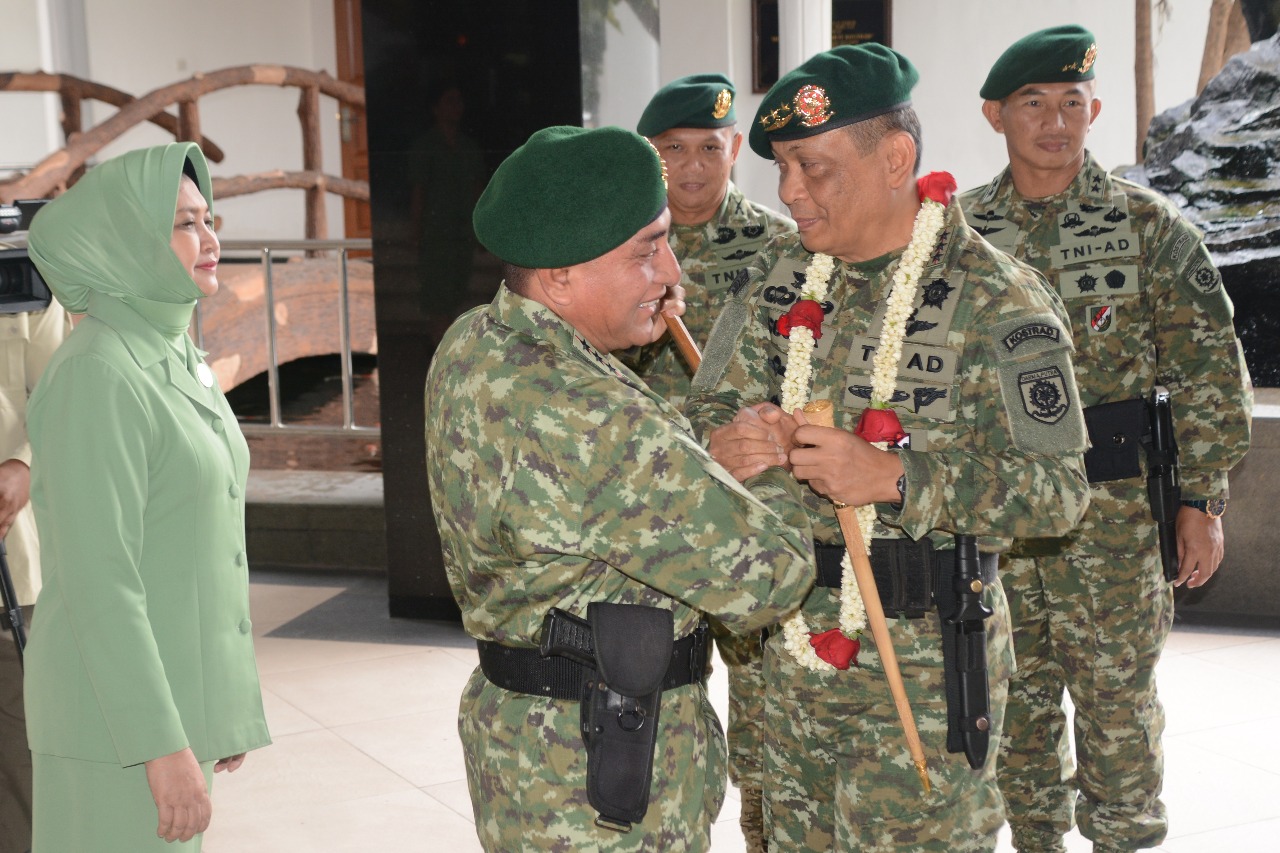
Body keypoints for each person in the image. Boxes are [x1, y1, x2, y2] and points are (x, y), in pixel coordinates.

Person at [684, 44, 1092, 851]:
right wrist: (733, 442)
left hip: (927, 668)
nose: (789, 192)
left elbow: (1061, 489)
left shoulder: (994, 298)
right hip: (790, 664)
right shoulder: (776, 280)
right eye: (781, 171)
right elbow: (704, 416)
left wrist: (898, 477)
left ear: (895, 158)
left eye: (813, 168)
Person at [424, 125, 815, 852]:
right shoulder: (592, 415)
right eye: (646, 250)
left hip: (532, 751)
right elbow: (775, 573)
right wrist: (763, 451)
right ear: (562, 276)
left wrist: (697, 447)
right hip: (610, 780)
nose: (672, 271)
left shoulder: (477, 342)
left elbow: (616, 483)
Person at [959, 26, 1253, 852]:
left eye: (1072, 104)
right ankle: (1037, 841)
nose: (1056, 122)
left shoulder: (1149, 226)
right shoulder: (958, 233)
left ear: (1093, 111)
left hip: (1115, 516)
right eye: (1033, 104)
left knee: (1118, 706)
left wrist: (1202, 500)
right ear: (995, 114)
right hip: (1003, 515)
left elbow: (1206, 370)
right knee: (1011, 703)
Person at [23, 142, 271, 851]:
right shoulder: (97, 373)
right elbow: (101, 582)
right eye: (184, 223)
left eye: (208, 217)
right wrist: (161, 747)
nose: (210, 238)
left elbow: (201, 541)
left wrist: (213, 705)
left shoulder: (174, 353)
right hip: (117, 732)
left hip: (167, 713)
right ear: (126, 240)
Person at [633, 72, 797, 852]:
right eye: (673, 151)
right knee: (663, 705)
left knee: (765, 717)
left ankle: (764, 836)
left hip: (749, 506)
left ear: (735, 150)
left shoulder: (780, 248)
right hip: (652, 514)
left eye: (710, 149)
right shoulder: (622, 250)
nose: (694, 168)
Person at [0, 297, 69, 853]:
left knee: (22, 752)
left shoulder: (20, 280)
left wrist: (24, 461)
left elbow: (59, 396)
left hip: (13, 568)